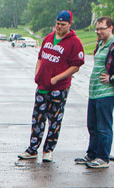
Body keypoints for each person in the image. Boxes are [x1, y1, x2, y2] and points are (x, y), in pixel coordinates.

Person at [18, 10, 85, 163]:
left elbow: (76, 66)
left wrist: (57, 78)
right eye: (57, 24)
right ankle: (32, 148)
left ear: (69, 24)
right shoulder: (49, 38)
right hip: (42, 85)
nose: (59, 27)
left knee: (54, 119)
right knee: (38, 118)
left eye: (63, 24)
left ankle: (48, 150)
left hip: (59, 88)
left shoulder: (74, 42)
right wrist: (37, 73)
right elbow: (41, 58)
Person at [76, 16, 114, 169]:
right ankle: (92, 154)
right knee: (92, 125)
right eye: (97, 29)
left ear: (110, 28)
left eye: (102, 29)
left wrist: (112, 78)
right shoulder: (101, 43)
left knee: (103, 126)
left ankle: (103, 157)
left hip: (106, 93)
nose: (98, 32)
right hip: (94, 92)